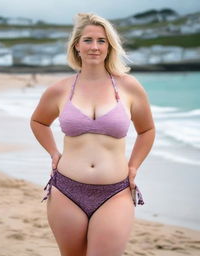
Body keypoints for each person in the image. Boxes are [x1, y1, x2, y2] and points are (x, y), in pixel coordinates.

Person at [30, 12, 155, 256]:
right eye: (87, 40)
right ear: (76, 46)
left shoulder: (129, 86)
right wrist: (54, 153)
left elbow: (147, 130)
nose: (94, 47)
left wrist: (133, 167)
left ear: (110, 46)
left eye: (101, 41)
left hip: (115, 192)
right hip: (66, 190)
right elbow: (38, 121)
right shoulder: (59, 89)